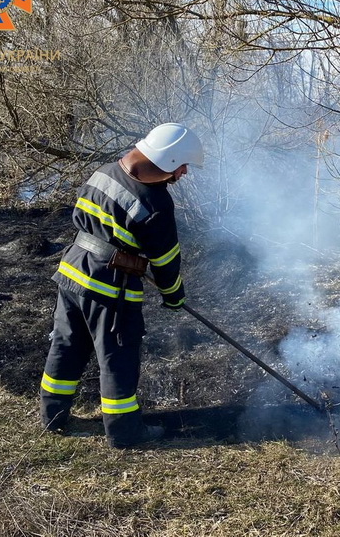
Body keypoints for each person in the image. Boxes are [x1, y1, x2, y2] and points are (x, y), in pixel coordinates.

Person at [40, 123, 203, 448]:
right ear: (169, 160)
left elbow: (84, 218)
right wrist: (173, 296)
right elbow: (165, 261)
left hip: (72, 272)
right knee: (118, 357)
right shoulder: (155, 202)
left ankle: (52, 416)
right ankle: (125, 433)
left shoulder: (103, 172)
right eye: (183, 165)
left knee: (67, 345)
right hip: (109, 288)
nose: (184, 172)